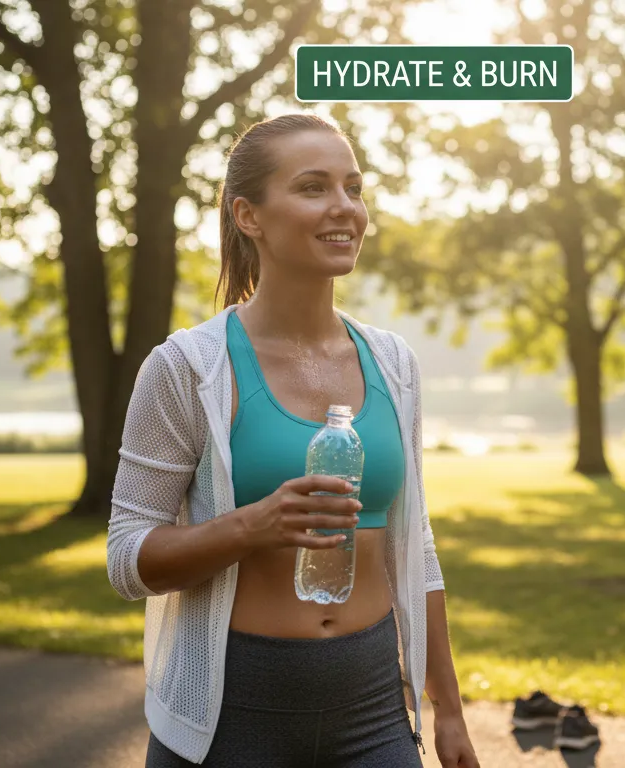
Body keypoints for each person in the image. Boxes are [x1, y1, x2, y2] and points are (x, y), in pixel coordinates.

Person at [106, 112, 480, 768]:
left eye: (354, 188)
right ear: (248, 215)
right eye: (313, 188)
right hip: (228, 719)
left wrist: (447, 707)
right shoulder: (187, 368)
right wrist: (251, 527)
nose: (345, 208)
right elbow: (128, 559)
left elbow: (414, 544)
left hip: (373, 710)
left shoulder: (394, 363)